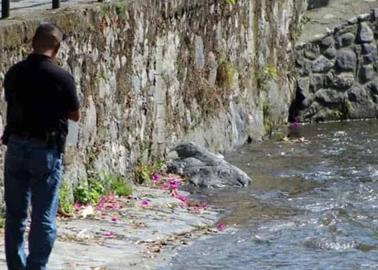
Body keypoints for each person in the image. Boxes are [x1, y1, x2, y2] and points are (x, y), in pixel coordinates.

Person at [2, 23, 80, 270]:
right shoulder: (62, 78)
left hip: (15, 147)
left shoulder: (14, 72)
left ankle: (16, 265)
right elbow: (75, 115)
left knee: (15, 215)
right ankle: (36, 267)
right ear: (57, 48)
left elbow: (10, 101)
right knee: (43, 216)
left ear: (32, 43)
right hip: (45, 150)